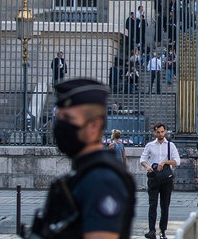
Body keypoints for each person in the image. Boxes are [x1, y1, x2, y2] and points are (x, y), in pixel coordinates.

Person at [23, 77, 135, 239]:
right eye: (59, 119)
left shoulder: (102, 180)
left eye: (68, 119)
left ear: (94, 125)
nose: (59, 126)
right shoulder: (83, 173)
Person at [140, 123, 181, 239]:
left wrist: (164, 162)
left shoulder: (170, 145)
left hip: (166, 179)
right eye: (158, 132)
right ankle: (151, 230)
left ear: (165, 132)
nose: (160, 134)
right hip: (153, 177)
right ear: (154, 132)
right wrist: (147, 166)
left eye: (162, 132)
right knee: (152, 205)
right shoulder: (150, 145)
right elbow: (142, 159)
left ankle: (163, 230)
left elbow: (177, 161)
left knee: (165, 205)